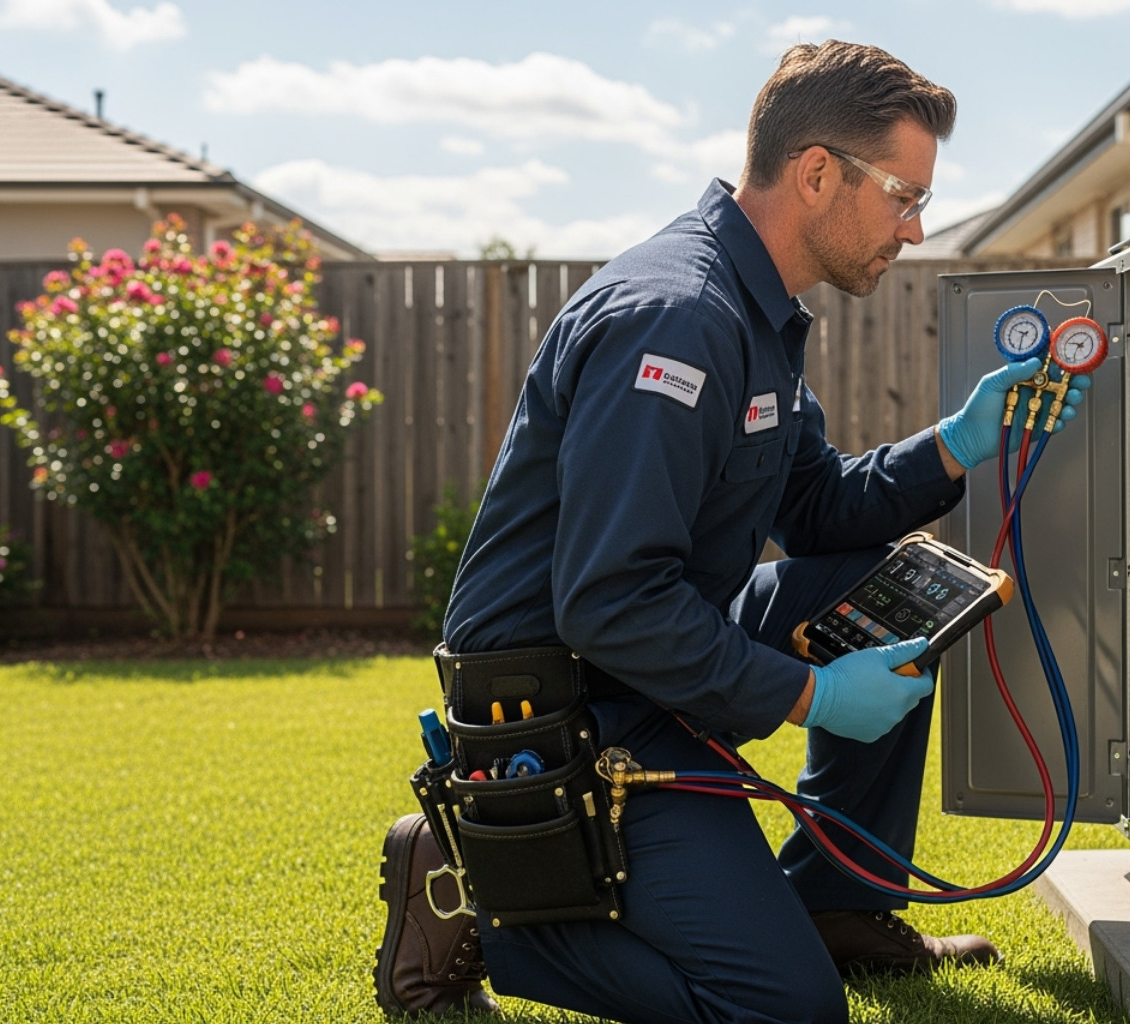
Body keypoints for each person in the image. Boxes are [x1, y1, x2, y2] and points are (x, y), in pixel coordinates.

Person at [373, 39, 1086, 1024]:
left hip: (647, 662)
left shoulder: (757, 318)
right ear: (818, 173)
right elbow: (608, 600)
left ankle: (838, 907)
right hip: (570, 713)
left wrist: (959, 442)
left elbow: (819, 509)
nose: (917, 229)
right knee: (788, 1011)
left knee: (888, 593)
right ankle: (482, 913)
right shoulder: (678, 322)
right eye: (904, 195)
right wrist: (810, 693)